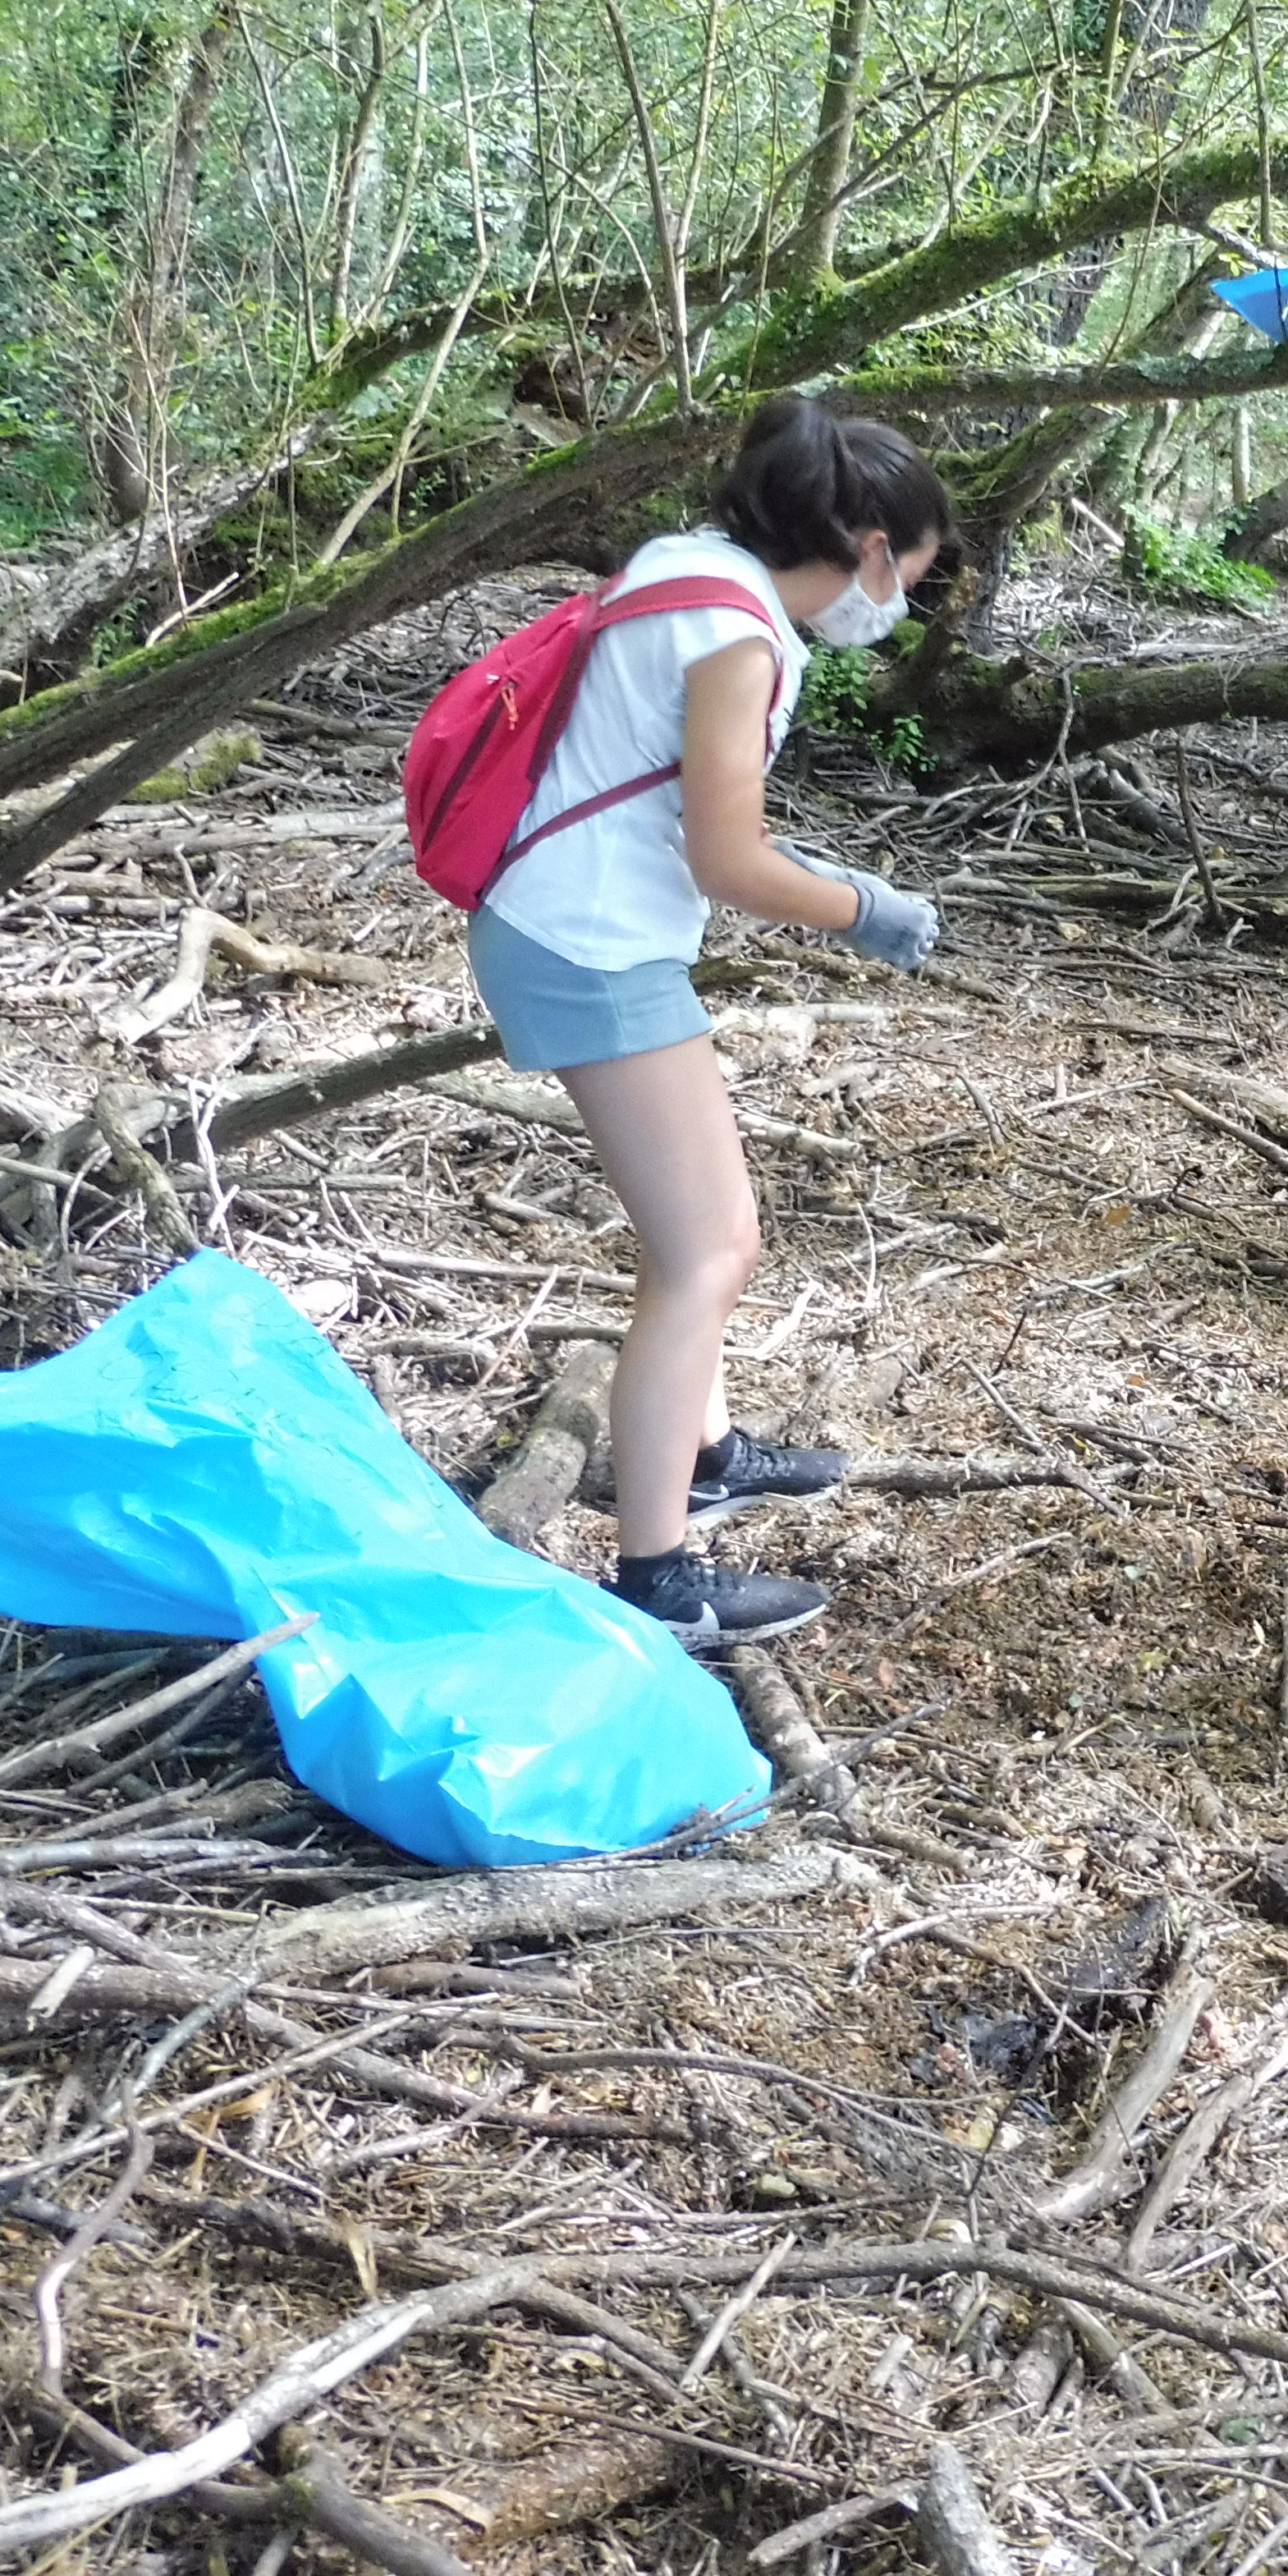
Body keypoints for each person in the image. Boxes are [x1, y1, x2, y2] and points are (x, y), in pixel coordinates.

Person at [467, 396, 952, 1647]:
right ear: (871, 548)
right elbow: (731, 858)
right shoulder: (744, 635)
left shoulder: (687, 566)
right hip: (590, 944)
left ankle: (707, 1444)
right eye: (911, 577)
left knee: (696, 1230)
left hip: (567, 921)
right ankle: (660, 1572)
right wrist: (867, 908)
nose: (897, 606)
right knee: (710, 1250)